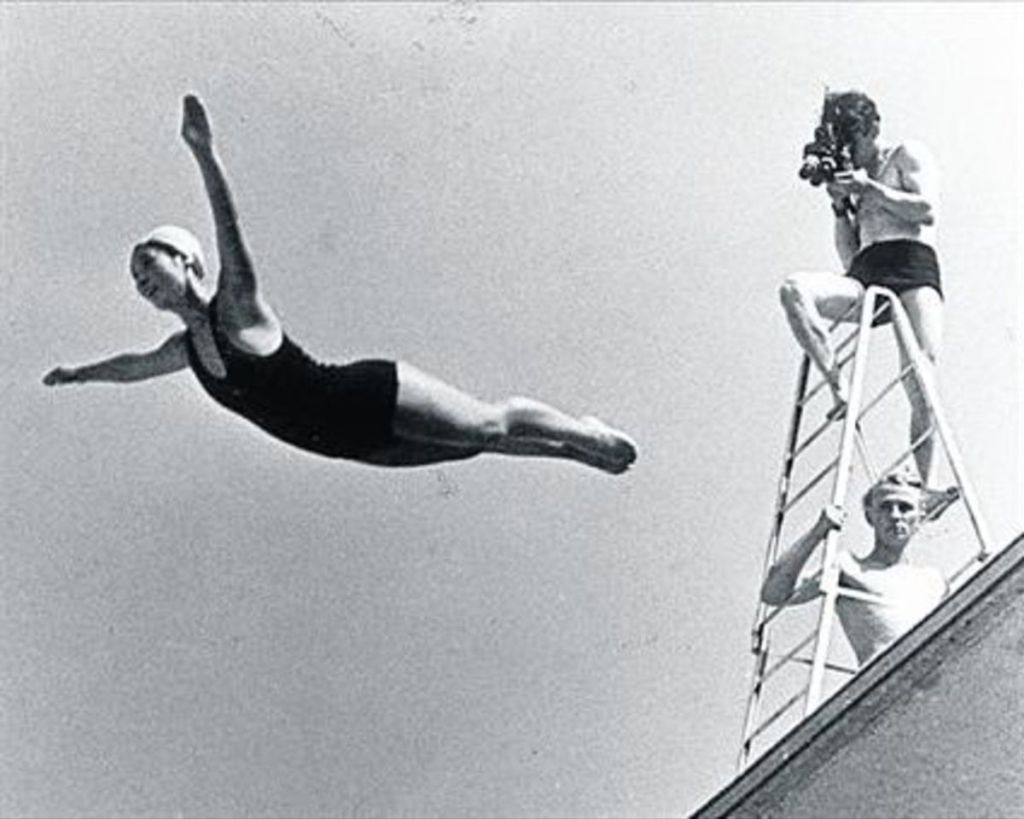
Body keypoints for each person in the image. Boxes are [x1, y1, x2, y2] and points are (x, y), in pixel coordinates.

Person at [42, 95, 638, 474]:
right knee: (476, 445)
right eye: (136, 279)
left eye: (147, 264)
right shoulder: (185, 351)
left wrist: (202, 152)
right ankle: (574, 452)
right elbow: (132, 367)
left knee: (485, 424)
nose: (141, 281)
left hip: (365, 396)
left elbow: (228, 227)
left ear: (186, 261)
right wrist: (78, 374)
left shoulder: (236, 309)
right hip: (355, 445)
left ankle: (582, 432)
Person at [779, 90, 943, 486]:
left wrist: (870, 189)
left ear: (872, 129)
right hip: (868, 270)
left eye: (854, 143)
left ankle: (928, 484)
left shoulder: (905, 154)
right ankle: (839, 388)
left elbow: (926, 210)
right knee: (794, 289)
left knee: (919, 375)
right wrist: (840, 208)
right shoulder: (855, 179)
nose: (850, 154)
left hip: (911, 264)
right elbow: (850, 258)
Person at [760, 469, 950, 666]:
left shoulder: (933, 580)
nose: (895, 515)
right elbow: (773, 594)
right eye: (886, 507)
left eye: (905, 508)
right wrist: (818, 531)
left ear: (919, 518)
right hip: (886, 675)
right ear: (870, 516)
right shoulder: (849, 568)